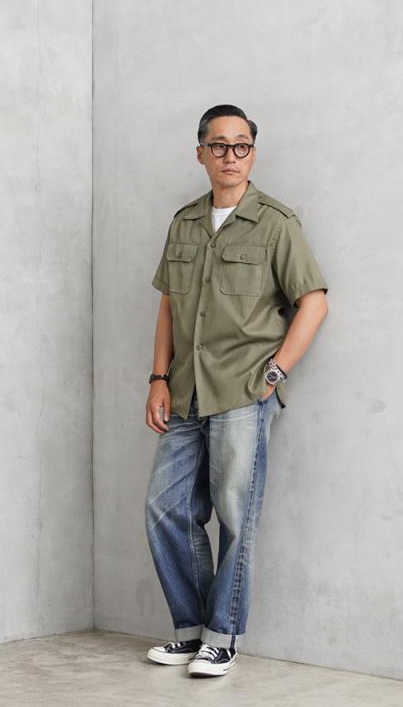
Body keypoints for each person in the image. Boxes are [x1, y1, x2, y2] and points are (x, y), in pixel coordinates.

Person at [144, 104, 329, 677]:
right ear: (200, 152)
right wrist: (157, 378)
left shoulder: (276, 223)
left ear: (253, 152)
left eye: (241, 145)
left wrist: (274, 374)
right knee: (166, 508)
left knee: (234, 514)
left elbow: (314, 302)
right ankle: (191, 629)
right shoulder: (184, 222)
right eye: (219, 145)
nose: (231, 155)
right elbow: (169, 306)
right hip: (184, 391)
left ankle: (222, 636)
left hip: (242, 392)